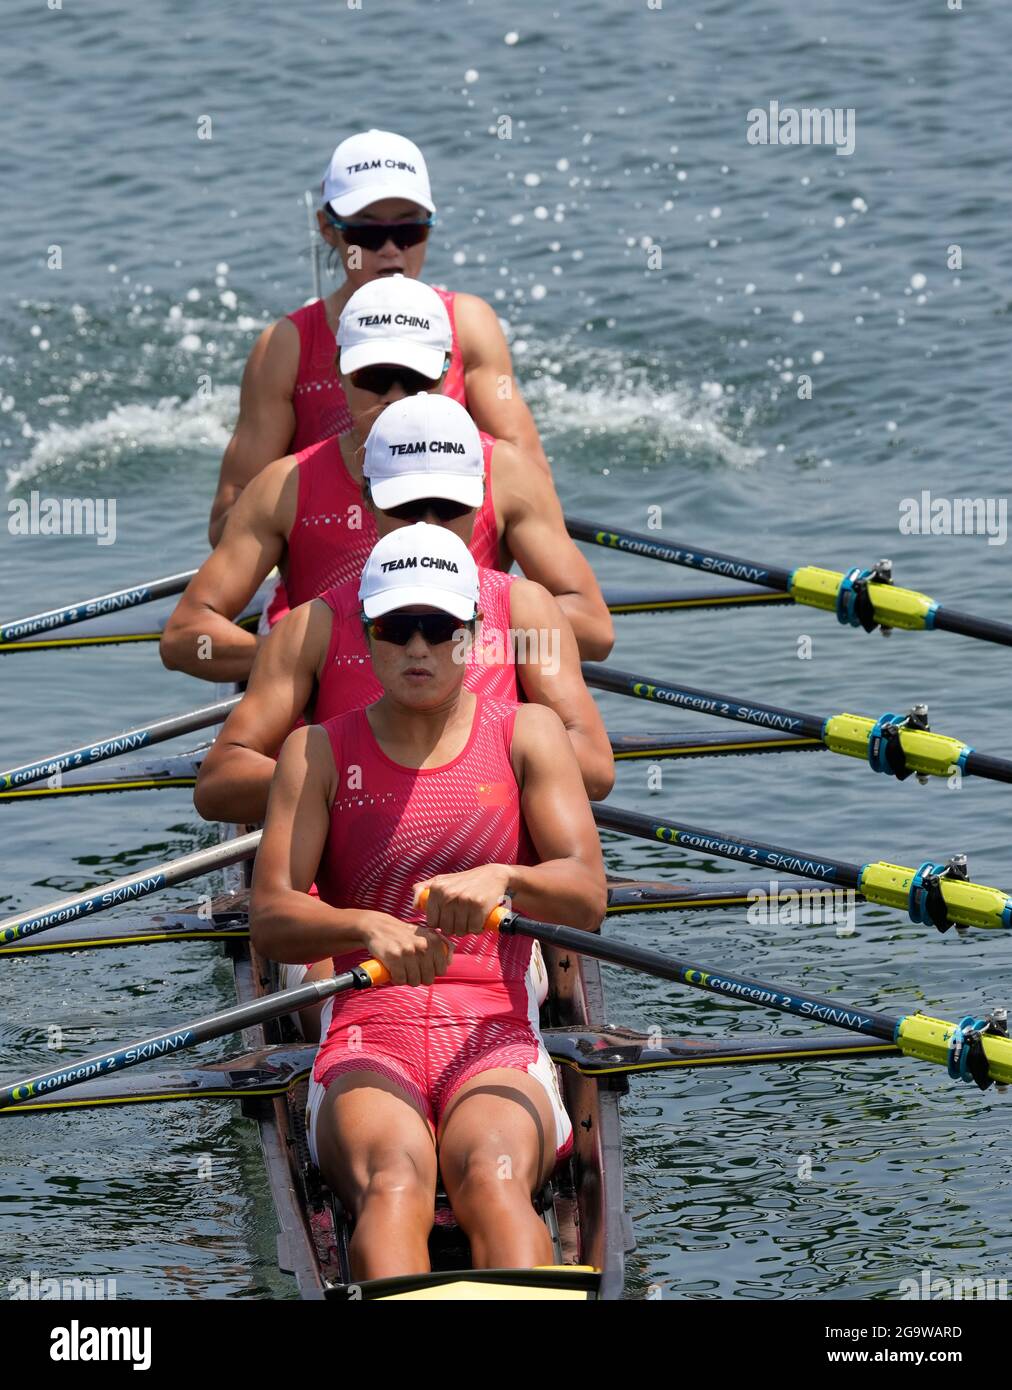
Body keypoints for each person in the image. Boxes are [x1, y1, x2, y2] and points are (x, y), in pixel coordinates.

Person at [250, 526, 607, 1279]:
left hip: (496, 1028)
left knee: (495, 1179)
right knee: (394, 1184)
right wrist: (364, 926)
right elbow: (273, 917)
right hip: (365, 1029)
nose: (418, 647)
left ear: (475, 635)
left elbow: (586, 896)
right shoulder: (313, 752)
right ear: (368, 636)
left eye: (439, 627)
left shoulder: (529, 735)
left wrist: (504, 878)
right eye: (397, 627)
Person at [194, 411, 615, 826]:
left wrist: (443, 777)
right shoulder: (313, 626)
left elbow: (595, 768)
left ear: (481, 497)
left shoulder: (526, 611)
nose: (428, 524)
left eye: (448, 507)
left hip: (495, 885)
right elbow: (218, 784)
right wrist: (345, 779)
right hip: (348, 892)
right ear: (367, 497)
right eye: (406, 506)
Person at [160, 308, 613, 680]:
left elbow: (593, 631)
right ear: (342, 370)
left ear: (444, 371)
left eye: (414, 379)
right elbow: (186, 637)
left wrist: (443, 635)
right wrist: (307, 657)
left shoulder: (508, 472)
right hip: (328, 724)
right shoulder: (285, 484)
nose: (396, 397)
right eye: (378, 377)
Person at [209, 128, 548, 545]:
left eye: (409, 231)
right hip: (325, 589)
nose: (391, 250)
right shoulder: (285, 347)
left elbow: (533, 484)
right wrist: (306, 503)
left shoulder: (471, 325)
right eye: (367, 234)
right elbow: (228, 516)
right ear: (327, 229)